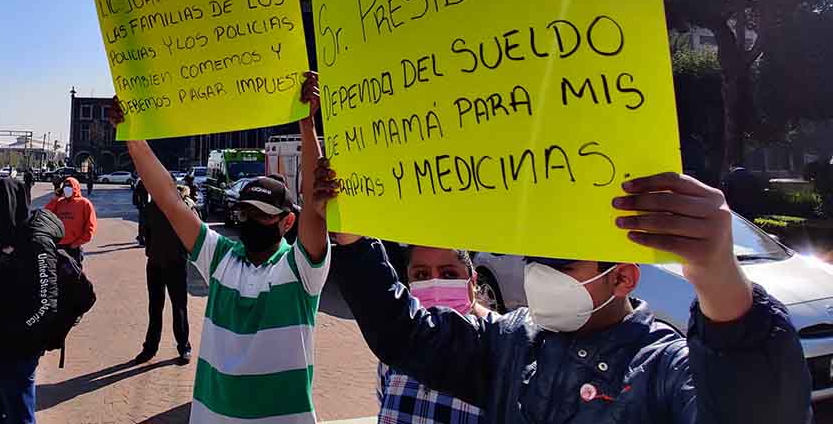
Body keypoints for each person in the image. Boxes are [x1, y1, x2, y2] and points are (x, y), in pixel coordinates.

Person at [330, 170, 812, 424]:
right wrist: (352, 242)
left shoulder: (661, 369)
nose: (540, 276)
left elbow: (755, 412)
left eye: (562, 263)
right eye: (535, 260)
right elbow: (406, 334)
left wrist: (719, 274)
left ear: (622, 279)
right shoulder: (509, 344)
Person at [109, 71, 335, 423]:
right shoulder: (220, 258)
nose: (250, 221)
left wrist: (307, 123)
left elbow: (314, 205)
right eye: (246, 212)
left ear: (286, 223)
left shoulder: (301, 271)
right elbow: (169, 198)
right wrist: (132, 137)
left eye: (262, 216)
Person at [0, 178, 66, 423]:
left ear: (9, 206)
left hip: (19, 349)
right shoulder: (3, 237)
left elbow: (46, 307)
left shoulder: (36, 243)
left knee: (18, 416)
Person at [374, 246, 491, 424]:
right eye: (421, 275)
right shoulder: (398, 342)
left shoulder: (500, 346)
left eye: (449, 274)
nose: (435, 286)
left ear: (472, 281)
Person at [133, 184, 195, 366]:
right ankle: (150, 347)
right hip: (155, 264)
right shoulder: (152, 208)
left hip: (176, 263)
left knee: (179, 307)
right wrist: (152, 252)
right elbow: (145, 234)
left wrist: (182, 252)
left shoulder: (185, 207)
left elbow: (194, 233)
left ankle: (184, 346)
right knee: (155, 308)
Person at [44, 176, 96, 267]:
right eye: (65, 187)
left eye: (70, 186)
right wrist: (56, 197)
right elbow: (46, 214)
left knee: (74, 276)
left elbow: (90, 227)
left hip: (73, 247)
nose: (67, 189)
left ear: (75, 188)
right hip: (58, 246)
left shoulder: (84, 203)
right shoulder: (59, 202)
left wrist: (77, 243)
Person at [132, 177, 149, 246]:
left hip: (142, 206)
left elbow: (135, 196)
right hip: (144, 206)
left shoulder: (140, 183)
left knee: (142, 223)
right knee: (144, 223)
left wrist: (137, 204)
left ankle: (141, 237)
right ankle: (142, 238)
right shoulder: (144, 183)